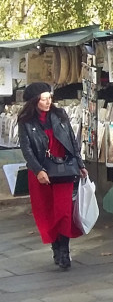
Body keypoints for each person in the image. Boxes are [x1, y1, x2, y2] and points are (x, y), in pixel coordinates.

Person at [17, 82, 88, 270]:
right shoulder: (26, 121)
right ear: (34, 101)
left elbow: (72, 141)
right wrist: (37, 169)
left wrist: (80, 164)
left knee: (63, 211)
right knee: (46, 212)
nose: (48, 102)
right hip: (41, 172)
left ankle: (64, 250)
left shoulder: (60, 115)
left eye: (49, 98)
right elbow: (27, 148)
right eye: (43, 99)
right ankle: (55, 247)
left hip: (63, 169)